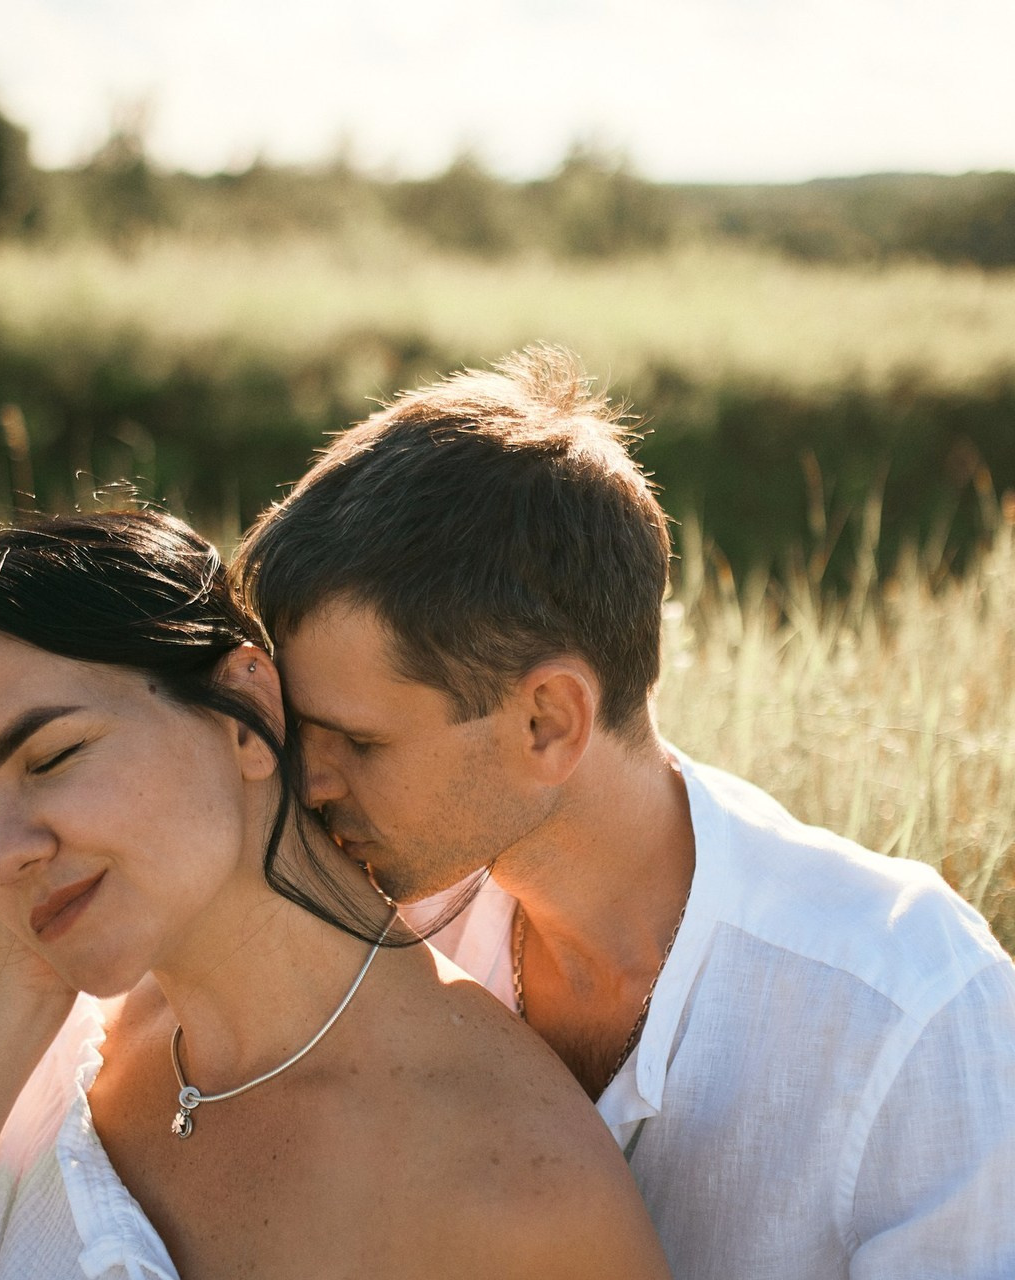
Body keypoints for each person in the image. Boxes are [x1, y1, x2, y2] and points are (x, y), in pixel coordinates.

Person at [233, 345, 1015, 1279]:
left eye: (358, 743)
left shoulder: (910, 1009)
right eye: (300, 732)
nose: (308, 783)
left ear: (549, 722)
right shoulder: (355, 927)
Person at [0, 510, 671, 1280]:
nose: (7, 851)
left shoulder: (513, 1185)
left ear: (247, 715)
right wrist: (26, 986)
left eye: (52, 757)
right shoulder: (59, 1050)